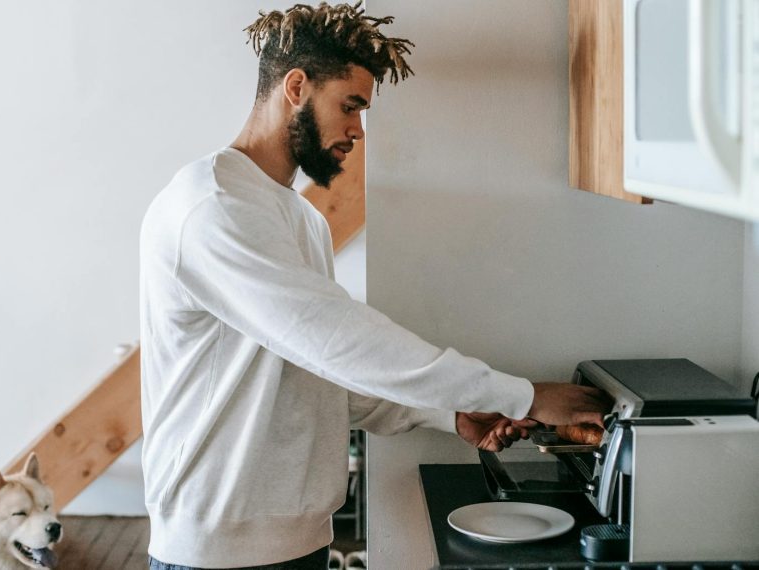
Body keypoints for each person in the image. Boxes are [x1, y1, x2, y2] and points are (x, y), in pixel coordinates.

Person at [139, 3, 609, 569]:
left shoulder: (300, 219)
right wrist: (521, 395)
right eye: (350, 106)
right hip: (214, 556)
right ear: (295, 87)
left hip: (301, 543)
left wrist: (448, 415)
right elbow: (337, 341)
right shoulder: (213, 208)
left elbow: (322, 374)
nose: (358, 131)